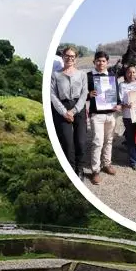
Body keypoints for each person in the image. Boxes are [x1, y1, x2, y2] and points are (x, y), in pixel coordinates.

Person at [50, 46, 88, 174]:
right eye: (67, 56)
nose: (69, 58)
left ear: (76, 59)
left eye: (72, 56)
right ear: (62, 57)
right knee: (67, 142)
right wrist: (64, 112)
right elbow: (52, 95)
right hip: (62, 107)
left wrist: (74, 111)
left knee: (81, 141)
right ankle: (71, 170)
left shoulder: (82, 74)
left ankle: (80, 168)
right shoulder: (56, 75)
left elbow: (84, 94)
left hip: (79, 107)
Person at [86, 51, 118, 183]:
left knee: (109, 140)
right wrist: (89, 95)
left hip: (110, 113)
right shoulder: (88, 76)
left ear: (107, 63)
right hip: (97, 115)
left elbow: (116, 94)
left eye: (103, 61)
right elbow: (81, 94)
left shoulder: (112, 76)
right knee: (97, 142)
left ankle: (106, 164)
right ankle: (95, 170)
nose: (101, 63)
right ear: (94, 62)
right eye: (98, 60)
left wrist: (118, 104)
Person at [117, 66, 136, 170]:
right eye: (129, 72)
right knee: (130, 138)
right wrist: (125, 105)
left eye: (134, 72)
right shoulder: (122, 85)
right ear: (125, 74)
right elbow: (119, 101)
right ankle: (133, 160)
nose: (131, 74)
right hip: (128, 116)